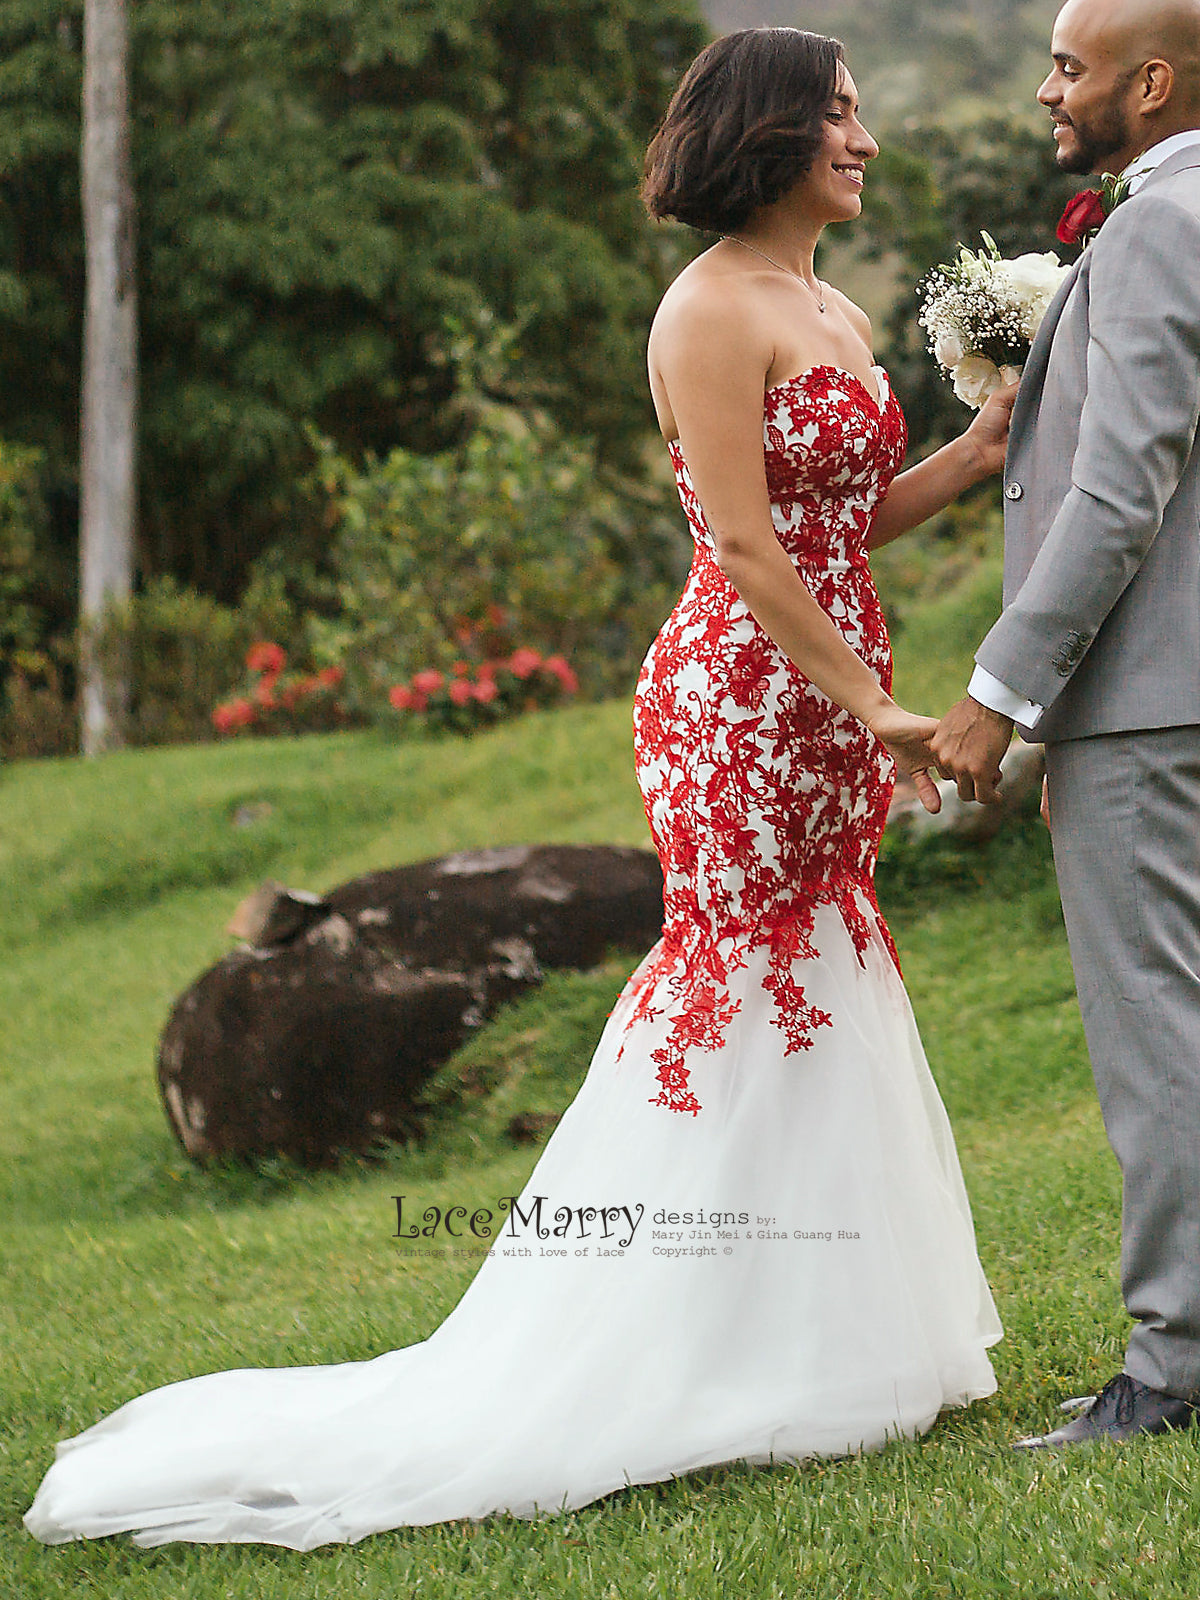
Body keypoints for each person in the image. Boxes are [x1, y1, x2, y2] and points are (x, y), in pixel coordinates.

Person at [25, 29, 1006, 1550]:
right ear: (772, 136)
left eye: (864, 116)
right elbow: (745, 549)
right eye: (842, 117)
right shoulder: (706, 310)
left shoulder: (838, 308)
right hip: (744, 704)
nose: (865, 140)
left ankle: (823, 1337)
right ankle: (649, 1347)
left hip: (824, 697)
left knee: (821, 963)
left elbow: (848, 520)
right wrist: (873, 702)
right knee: (735, 985)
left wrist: (986, 445)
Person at [931, 0, 1200, 1447]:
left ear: (1151, 84)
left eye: (1071, 67)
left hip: (1158, 701)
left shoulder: (1163, 226)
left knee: (1160, 1033)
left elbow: (1119, 488)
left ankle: (1177, 1366)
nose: (1047, 90)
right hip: (1170, 691)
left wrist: (1001, 699)